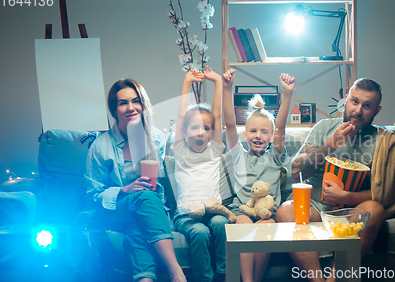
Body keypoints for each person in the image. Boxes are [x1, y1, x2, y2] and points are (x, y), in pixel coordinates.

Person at [275, 78, 395, 282]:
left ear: (376, 111)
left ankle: (335, 278)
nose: (358, 110)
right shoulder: (325, 127)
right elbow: (296, 169)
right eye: (354, 101)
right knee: (285, 211)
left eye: (367, 106)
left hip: (352, 213)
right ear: (346, 99)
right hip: (316, 208)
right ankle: (318, 280)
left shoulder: (384, 141)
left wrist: (347, 196)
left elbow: (385, 193)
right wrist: (330, 145)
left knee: (375, 210)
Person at [85, 79, 186, 282]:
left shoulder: (155, 138)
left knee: (138, 227)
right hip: (115, 210)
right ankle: (176, 271)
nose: (131, 108)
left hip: (146, 212)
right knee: (145, 198)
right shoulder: (100, 146)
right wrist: (124, 190)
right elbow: (92, 194)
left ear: (143, 105)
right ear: (114, 109)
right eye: (123, 103)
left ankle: (145, 279)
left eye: (136, 101)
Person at [222, 69, 295, 282]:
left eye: (264, 132)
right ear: (245, 135)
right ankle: (248, 280)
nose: (258, 136)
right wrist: (227, 89)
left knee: (267, 230)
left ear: (272, 136)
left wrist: (287, 93)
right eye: (253, 131)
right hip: (242, 212)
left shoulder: (275, 156)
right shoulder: (238, 156)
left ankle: (256, 279)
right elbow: (228, 124)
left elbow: (281, 125)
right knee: (244, 227)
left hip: (267, 215)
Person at [172, 66, 228, 282]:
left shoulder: (214, 150)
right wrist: (187, 82)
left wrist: (218, 83)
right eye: (194, 127)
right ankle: (204, 278)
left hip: (214, 211)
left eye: (206, 128)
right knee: (201, 232)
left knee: (221, 225)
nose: (201, 132)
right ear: (185, 132)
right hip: (186, 216)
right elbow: (180, 115)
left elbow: (217, 115)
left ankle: (225, 274)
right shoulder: (180, 151)